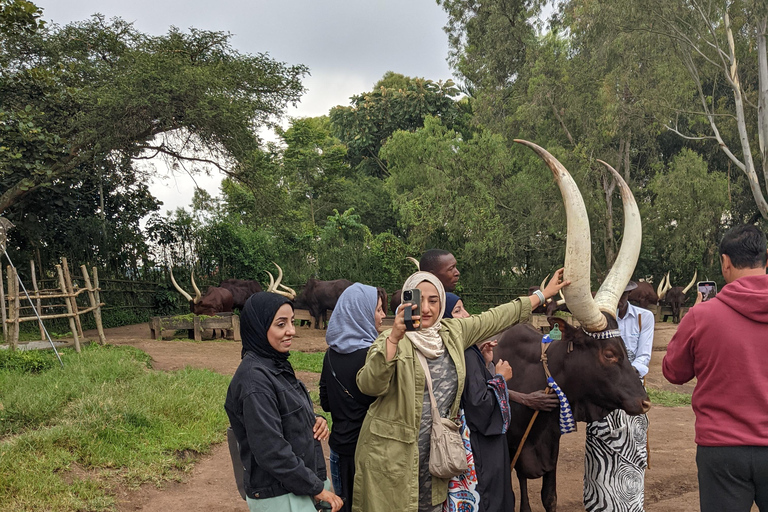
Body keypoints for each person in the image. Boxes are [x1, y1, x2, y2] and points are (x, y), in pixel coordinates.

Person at [352, 269, 569, 512]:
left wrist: (543, 294)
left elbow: (497, 316)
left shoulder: (453, 332)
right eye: (418, 300)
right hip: (391, 459)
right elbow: (369, 385)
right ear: (406, 302)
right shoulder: (388, 341)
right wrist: (394, 338)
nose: (425, 308)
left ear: (441, 302)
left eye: (433, 301)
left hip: (437, 456)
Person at [663, 224, 768, 512]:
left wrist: (694, 317)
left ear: (725, 262)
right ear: (766, 259)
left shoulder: (702, 315)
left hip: (721, 450)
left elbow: (673, 372)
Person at [225, 292, 343, 512]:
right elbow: (270, 450)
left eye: (292, 321)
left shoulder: (274, 364)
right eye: (281, 324)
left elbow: (283, 414)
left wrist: (314, 419)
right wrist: (315, 487)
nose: (292, 330)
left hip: (297, 486)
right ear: (259, 327)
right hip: (280, 495)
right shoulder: (254, 382)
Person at [583, 280, 654, 512]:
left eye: (622, 295)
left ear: (629, 294)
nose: (618, 300)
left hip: (631, 396)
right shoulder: (596, 323)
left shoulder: (644, 317)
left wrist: (625, 376)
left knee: (631, 463)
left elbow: (643, 358)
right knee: (600, 464)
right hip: (604, 400)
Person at [441, 292, 515, 512]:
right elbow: (479, 405)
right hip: (481, 447)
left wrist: (484, 362)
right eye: (457, 311)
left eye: (464, 308)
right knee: (489, 498)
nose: (466, 315)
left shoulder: (464, 350)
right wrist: (500, 378)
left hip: (477, 443)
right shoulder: (466, 352)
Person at [319, 284, 387, 512]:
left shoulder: (329, 355)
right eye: (378, 310)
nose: (383, 316)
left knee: (343, 506)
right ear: (362, 313)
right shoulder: (375, 357)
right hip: (371, 452)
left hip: (340, 449)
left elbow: (326, 403)